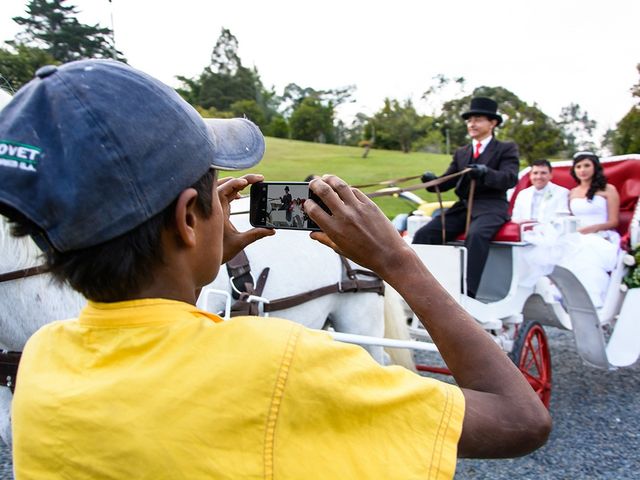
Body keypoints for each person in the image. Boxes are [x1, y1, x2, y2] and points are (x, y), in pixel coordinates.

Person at [0, 60, 549, 479]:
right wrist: (398, 261)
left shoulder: (43, 359)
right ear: (188, 219)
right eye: (215, 187)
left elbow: (152, 348)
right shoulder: (278, 363)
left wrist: (194, 270)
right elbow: (521, 421)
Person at [413, 97, 519, 298]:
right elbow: (447, 180)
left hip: (492, 207)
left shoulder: (506, 148)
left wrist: (485, 172)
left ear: (493, 123)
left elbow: (510, 178)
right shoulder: (463, 152)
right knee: (425, 234)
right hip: (463, 207)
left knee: (477, 235)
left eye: (478, 119)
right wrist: (432, 181)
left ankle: (466, 294)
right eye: (469, 120)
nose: (472, 124)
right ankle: (420, 287)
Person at [558, 152, 621, 308]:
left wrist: (593, 228)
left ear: (595, 167)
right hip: (577, 236)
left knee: (587, 253)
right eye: (578, 166)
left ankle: (594, 301)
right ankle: (568, 298)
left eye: (587, 165)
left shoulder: (608, 189)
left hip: (601, 235)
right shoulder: (572, 192)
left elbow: (614, 221)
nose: (582, 170)